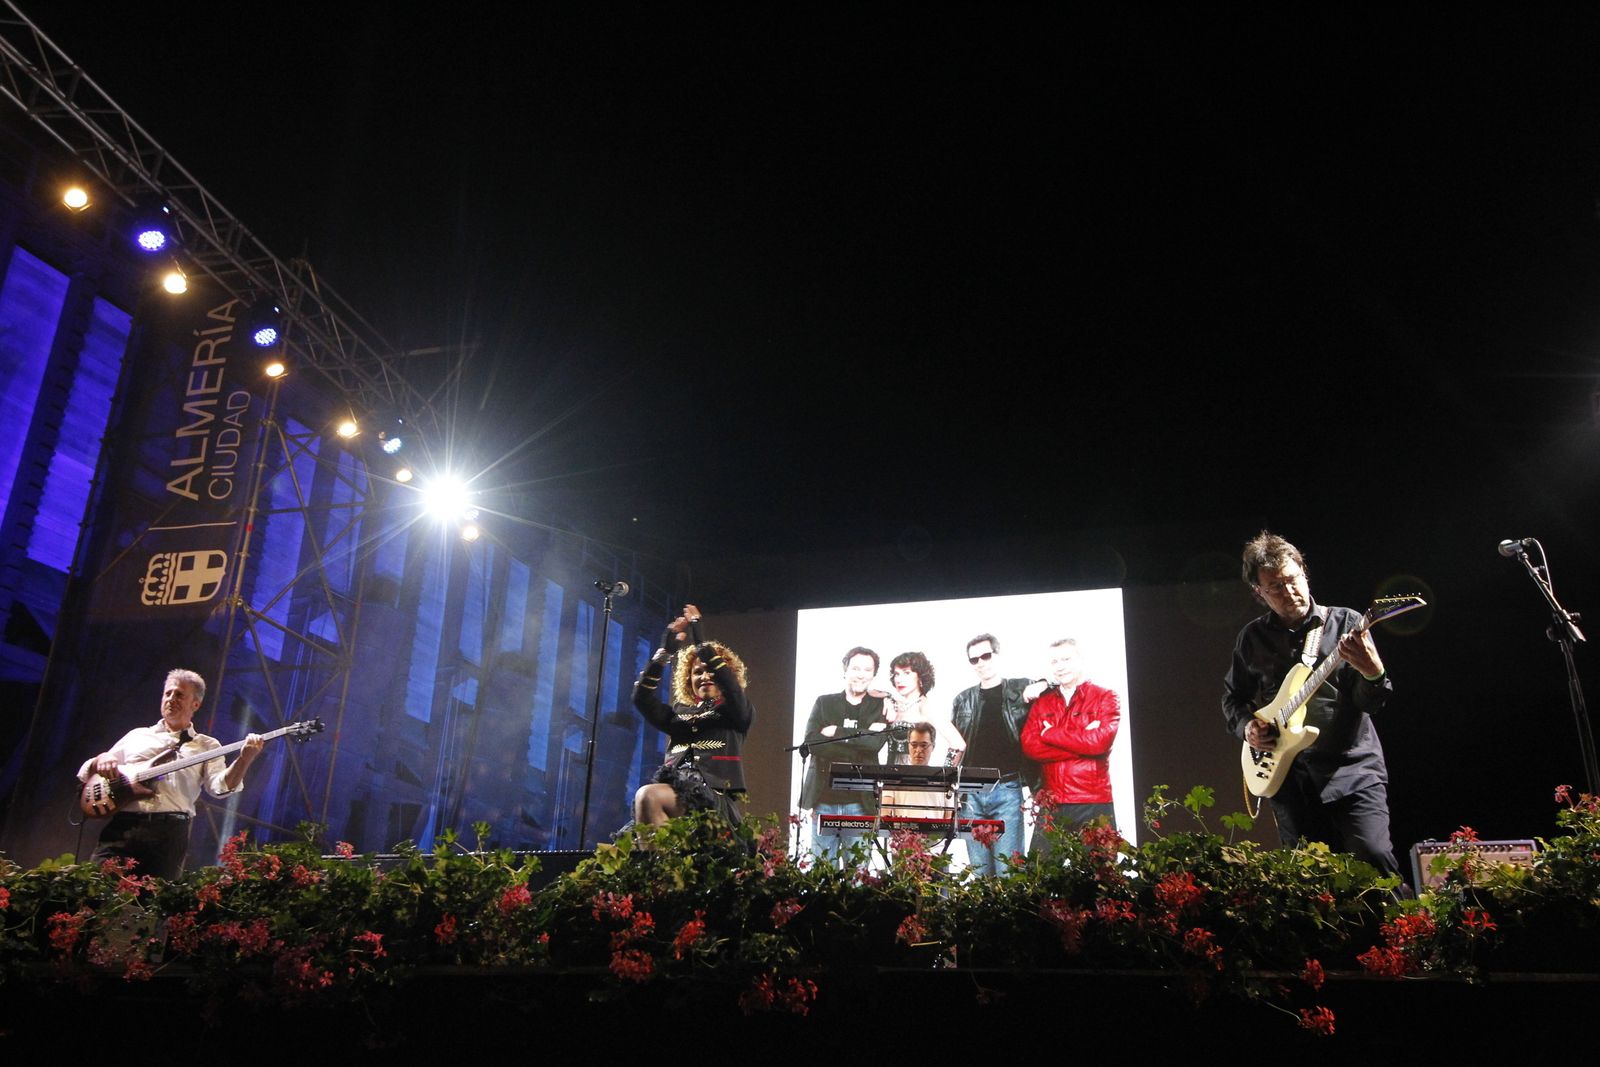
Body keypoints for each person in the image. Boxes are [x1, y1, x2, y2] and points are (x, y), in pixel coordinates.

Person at [1221, 531, 1402, 878]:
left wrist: (1373, 672)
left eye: (1293, 579)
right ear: (1259, 593)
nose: (1290, 592)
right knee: (1308, 879)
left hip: (1352, 771)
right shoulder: (1252, 638)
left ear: (1304, 572)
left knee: (1374, 858)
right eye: (1275, 587)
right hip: (1291, 781)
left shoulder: (1347, 624)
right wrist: (1249, 728)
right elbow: (1233, 698)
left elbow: (1371, 703)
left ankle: (1396, 932)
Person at [77, 668, 264, 880]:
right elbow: (86, 774)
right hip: (123, 826)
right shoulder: (138, 736)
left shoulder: (207, 745)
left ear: (196, 704)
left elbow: (219, 787)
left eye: (179, 695)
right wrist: (101, 759)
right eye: (168, 693)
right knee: (97, 888)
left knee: (153, 901)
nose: (171, 699)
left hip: (169, 832)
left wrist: (244, 760)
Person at [632, 604, 753, 827]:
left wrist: (702, 643)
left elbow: (733, 690)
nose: (705, 676)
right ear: (688, 680)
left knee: (648, 796)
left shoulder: (735, 712)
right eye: (698, 672)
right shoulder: (678, 715)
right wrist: (664, 654)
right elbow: (642, 699)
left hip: (712, 801)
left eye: (711, 670)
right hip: (675, 795)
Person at [950, 633, 1034, 876]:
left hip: (1007, 788)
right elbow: (956, 746)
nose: (980, 663)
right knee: (979, 872)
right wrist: (949, 784)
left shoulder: (1020, 689)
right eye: (974, 659)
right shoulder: (962, 699)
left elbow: (1050, 685)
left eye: (985, 656)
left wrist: (1039, 684)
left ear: (997, 655)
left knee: (1009, 870)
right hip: (971, 792)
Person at [1021, 638, 1121, 841]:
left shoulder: (1106, 696)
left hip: (1094, 802)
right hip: (1053, 802)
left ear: (1080, 660)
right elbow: (1030, 747)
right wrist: (1083, 742)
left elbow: (1100, 742)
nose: (1060, 666)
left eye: (1066, 659)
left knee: (1100, 873)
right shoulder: (1042, 703)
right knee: (1039, 871)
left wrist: (1049, 734)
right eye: (1054, 661)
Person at [798, 646, 889, 859]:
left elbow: (875, 744)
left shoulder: (879, 706)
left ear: (874, 674)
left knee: (857, 877)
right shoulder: (824, 702)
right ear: (845, 670)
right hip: (823, 800)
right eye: (855, 668)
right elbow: (812, 742)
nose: (860, 674)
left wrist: (836, 732)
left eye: (867, 669)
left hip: (861, 802)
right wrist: (860, 742)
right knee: (821, 873)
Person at [884, 651, 965, 767]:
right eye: (897, 674)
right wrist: (887, 697)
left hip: (914, 778)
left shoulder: (926, 707)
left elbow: (958, 744)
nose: (899, 679)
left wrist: (943, 776)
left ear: (920, 678)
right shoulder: (894, 704)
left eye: (906, 673)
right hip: (889, 776)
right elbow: (870, 693)